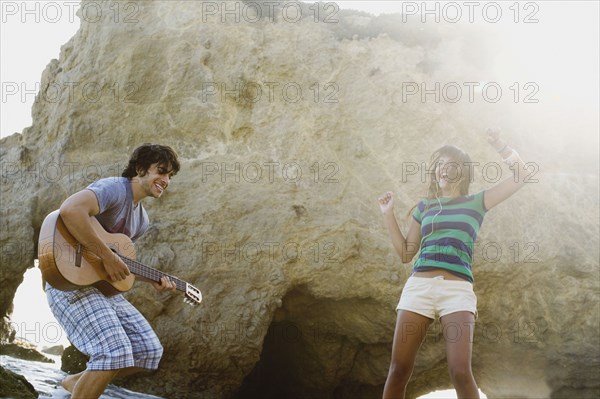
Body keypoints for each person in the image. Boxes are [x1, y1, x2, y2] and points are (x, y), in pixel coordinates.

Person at [378, 129, 529, 399]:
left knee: (460, 371)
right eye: (439, 165)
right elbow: (405, 252)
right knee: (398, 369)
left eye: (451, 165)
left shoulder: (476, 203)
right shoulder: (425, 207)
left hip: (456, 292)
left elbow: (522, 176)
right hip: (419, 288)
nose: (443, 170)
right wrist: (388, 215)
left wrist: (501, 146)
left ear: (464, 172)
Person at [44, 144, 181, 399]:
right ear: (140, 169)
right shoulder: (114, 189)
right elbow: (70, 210)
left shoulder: (142, 220)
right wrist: (106, 256)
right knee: (113, 351)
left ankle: (77, 383)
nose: (165, 180)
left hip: (98, 289)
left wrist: (153, 280)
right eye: (161, 171)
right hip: (68, 282)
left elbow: (117, 268)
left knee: (148, 351)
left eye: (170, 176)